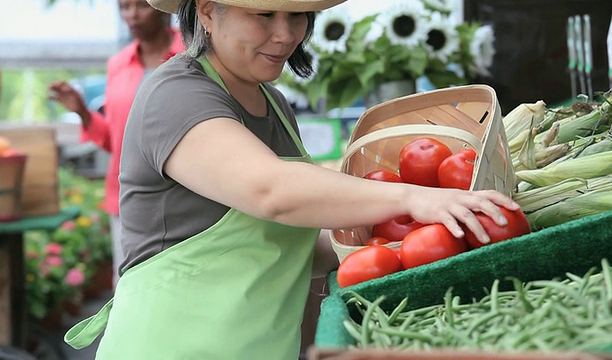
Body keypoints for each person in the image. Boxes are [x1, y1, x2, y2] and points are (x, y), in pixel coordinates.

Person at [63, 0, 521, 358]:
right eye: (263, 14)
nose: (285, 34)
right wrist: (410, 196)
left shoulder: (275, 105)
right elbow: (271, 192)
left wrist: (387, 242)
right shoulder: (175, 94)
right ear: (206, 11)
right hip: (172, 347)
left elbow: (286, 243)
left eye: (297, 15)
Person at [48, 0, 185, 287]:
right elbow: (117, 141)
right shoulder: (118, 65)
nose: (132, 15)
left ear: (163, 7)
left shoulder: (192, 54)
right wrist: (83, 112)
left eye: (141, 6)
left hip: (186, 195)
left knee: (181, 285)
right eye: (124, 7)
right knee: (128, 286)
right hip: (129, 196)